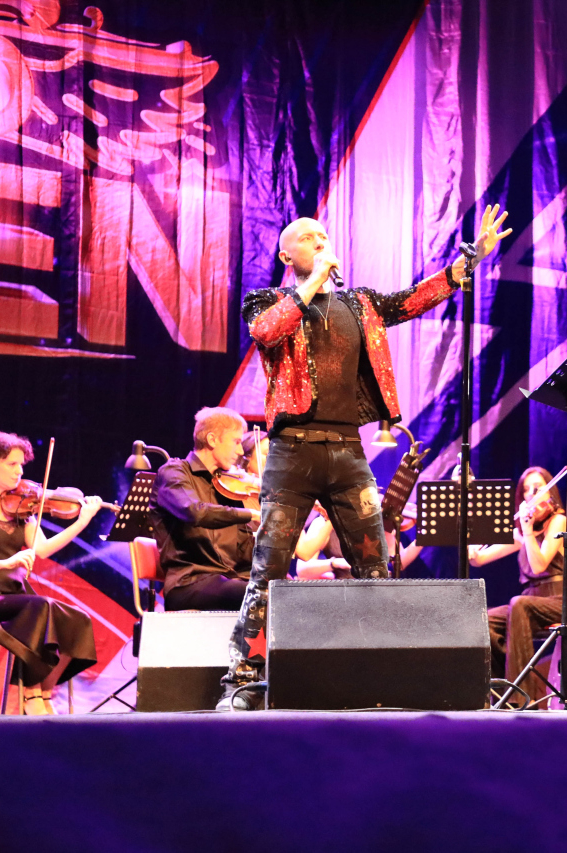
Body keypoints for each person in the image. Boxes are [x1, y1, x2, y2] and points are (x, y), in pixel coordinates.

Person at [218, 206, 511, 710]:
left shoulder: (360, 304)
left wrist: (468, 261)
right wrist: (312, 283)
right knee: (269, 568)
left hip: (348, 452)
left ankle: (384, 673)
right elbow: (267, 332)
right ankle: (242, 680)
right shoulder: (267, 299)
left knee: (376, 567)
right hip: (292, 452)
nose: (321, 240)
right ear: (287, 255)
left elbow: (414, 299)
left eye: (324, 234)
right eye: (308, 237)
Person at [0, 430, 101, 715]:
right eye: (12, 464)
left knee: (77, 619)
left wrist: (82, 521)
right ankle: (30, 694)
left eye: (21, 465)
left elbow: (42, 549)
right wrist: (4, 564)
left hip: (14, 596)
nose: (19, 471)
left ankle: (44, 691)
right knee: (40, 608)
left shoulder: (21, 507)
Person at [470, 466, 567, 705]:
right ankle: (502, 692)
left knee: (518, 604)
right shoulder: (525, 532)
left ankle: (521, 697)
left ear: (550, 492)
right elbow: (479, 560)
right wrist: (471, 542)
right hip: (527, 603)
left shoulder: (558, 521)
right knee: (483, 621)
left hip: (557, 600)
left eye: (537, 488)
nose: (531, 494)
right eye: (526, 490)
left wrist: (526, 533)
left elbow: (539, 565)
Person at [150, 407, 258, 612]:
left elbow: (243, 551)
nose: (240, 451)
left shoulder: (228, 487)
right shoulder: (174, 472)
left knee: (286, 591)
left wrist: (274, 537)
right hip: (189, 582)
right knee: (259, 595)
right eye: (236, 442)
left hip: (230, 579)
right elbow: (195, 511)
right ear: (212, 439)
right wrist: (252, 514)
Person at [294, 509, 422, 579]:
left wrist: (424, 537)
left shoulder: (376, 520)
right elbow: (303, 570)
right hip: (346, 597)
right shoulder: (323, 523)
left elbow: (400, 562)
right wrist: (336, 563)